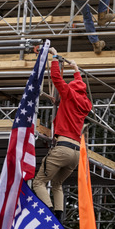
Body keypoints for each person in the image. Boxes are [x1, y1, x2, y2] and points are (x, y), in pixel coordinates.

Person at [29, 46, 92, 219]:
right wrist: (76, 70)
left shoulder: (69, 93)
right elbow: (80, 87)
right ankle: (59, 219)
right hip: (76, 152)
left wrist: (55, 56)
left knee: (39, 182)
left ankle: (49, 215)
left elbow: (56, 78)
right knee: (57, 184)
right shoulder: (86, 103)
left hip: (62, 147)